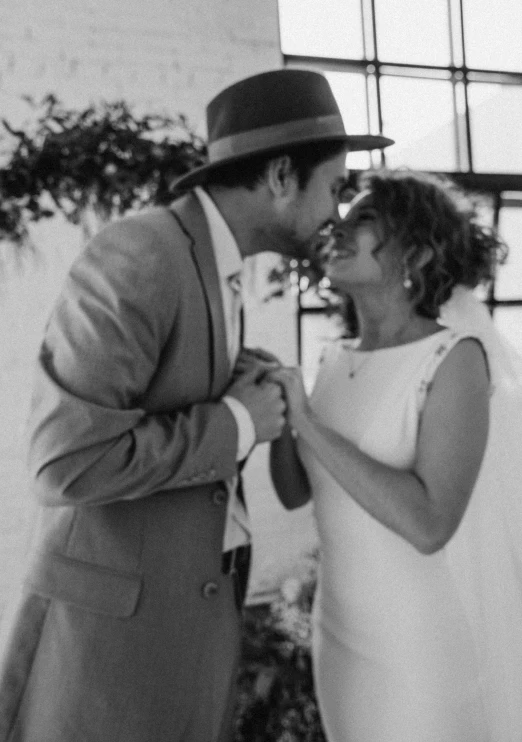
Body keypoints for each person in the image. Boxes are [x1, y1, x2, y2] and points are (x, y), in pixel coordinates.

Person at [0, 69, 391, 742]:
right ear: (278, 177)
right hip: (109, 649)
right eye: (333, 185)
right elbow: (64, 461)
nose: (336, 211)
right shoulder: (143, 251)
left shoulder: (216, 264)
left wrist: (239, 381)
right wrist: (238, 424)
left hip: (192, 622)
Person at [268, 169, 522, 742]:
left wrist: (308, 421)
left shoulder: (455, 359)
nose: (337, 228)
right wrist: (283, 414)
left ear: (419, 253)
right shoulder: (333, 360)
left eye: (363, 220)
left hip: (420, 654)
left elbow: (430, 522)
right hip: (340, 641)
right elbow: (293, 492)